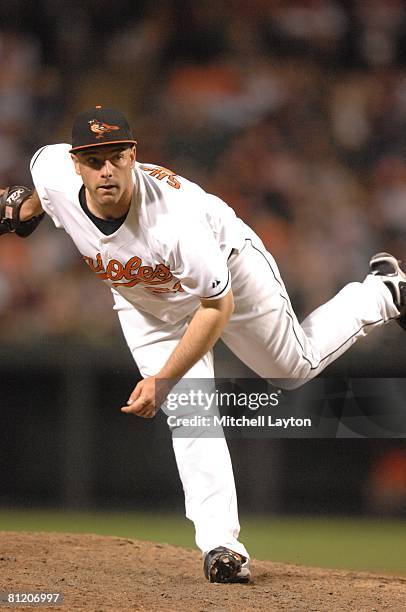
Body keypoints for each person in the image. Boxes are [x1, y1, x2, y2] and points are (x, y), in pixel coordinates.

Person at [1, 106, 405, 583]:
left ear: (133, 154)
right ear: (75, 163)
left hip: (229, 274)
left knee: (292, 368)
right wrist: (22, 210)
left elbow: (216, 308)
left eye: (115, 156)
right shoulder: (51, 169)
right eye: (93, 160)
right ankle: (221, 547)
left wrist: (164, 378)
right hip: (147, 302)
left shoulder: (174, 222)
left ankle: (383, 292)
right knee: (192, 412)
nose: (105, 169)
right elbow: (40, 195)